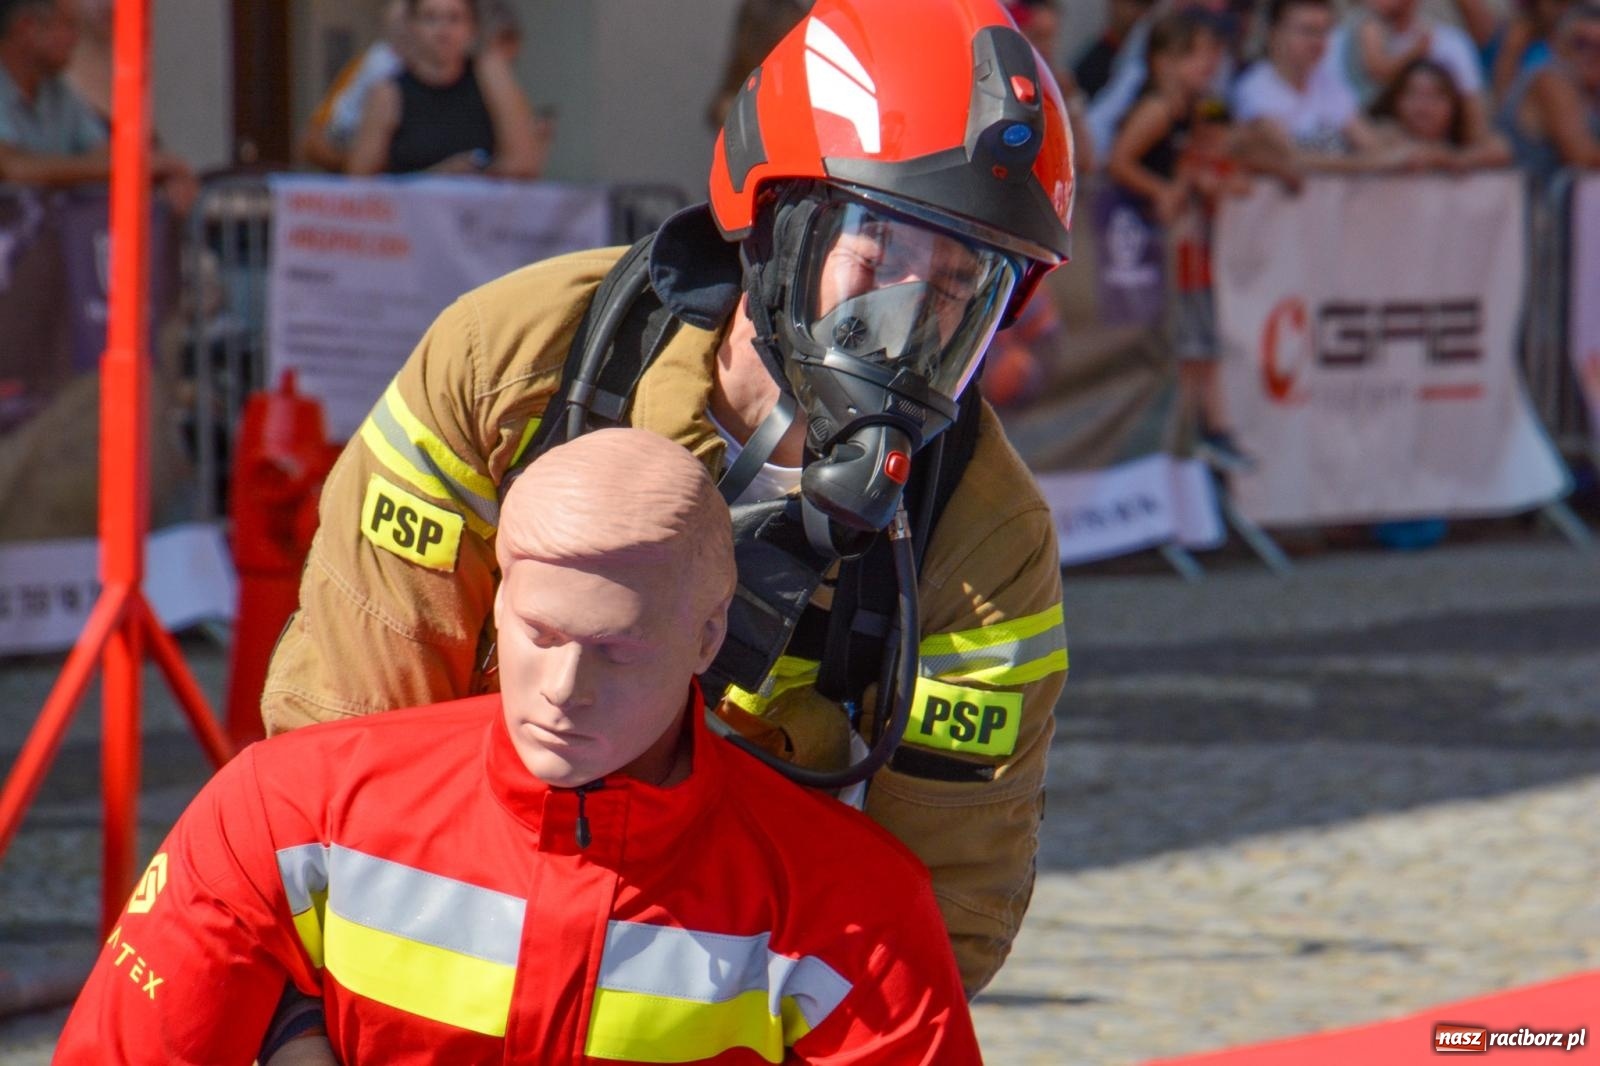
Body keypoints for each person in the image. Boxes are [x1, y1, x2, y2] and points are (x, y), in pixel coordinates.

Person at [264, 0, 1073, 999]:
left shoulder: (984, 536)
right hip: (435, 954)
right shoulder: (511, 365)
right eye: (876, 255)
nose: (906, 321)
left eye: (960, 285)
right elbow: (338, 737)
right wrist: (307, 1016)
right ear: (777, 221)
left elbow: (948, 906)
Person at [55, 428, 982, 1065]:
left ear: (708, 640)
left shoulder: (849, 904)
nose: (566, 691)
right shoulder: (290, 809)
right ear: (494, 602)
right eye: (539, 635)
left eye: (616, 649)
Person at [1106, 12, 1250, 465]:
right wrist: (1163, 190)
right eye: (1195, 53)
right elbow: (1119, 162)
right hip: (1150, 248)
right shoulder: (1158, 109)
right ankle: (1192, 434)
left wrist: (1209, 177)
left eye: (1212, 53)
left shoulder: (1198, 106)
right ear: (1163, 62)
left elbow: (1224, 144)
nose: (1209, 63)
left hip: (1182, 247)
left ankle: (1208, 430)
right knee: (1187, 345)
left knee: (1200, 342)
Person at [0, 0, 190, 191]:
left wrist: (160, 171)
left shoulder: (58, 91)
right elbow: (12, 168)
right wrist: (122, 168)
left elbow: (106, 153)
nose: (75, 39)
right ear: (26, 28)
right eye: (67, 25)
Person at [345, 0, 542, 177]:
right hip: (411, 211)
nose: (443, 30)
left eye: (454, 19)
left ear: (472, 27)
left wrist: (479, 174)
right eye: (430, 18)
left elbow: (523, 163)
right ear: (412, 26)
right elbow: (360, 180)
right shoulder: (388, 92)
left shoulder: (490, 79)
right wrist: (435, 176)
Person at [299, 0, 411, 173]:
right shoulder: (370, 65)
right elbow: (312, 143)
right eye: (398, 27)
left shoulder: (462, 78)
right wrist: (365, 159)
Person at [1499, 1, 1600, 180]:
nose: (1592, 53)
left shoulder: (1590, 91)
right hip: (1532, 203)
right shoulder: (1549, 80)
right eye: (1581, 43)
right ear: (1557, 44)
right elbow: (1581, 157)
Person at [1368, 56, 1514, 166]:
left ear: (1453, 104)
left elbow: (1502, 150)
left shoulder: (1462, 138)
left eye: (1435, 96)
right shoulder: (1385, 133)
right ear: (1397, 101)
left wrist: (1454, 159)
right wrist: (1401, 158)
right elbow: (1351, 160)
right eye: (1413, 94)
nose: (1423, 105)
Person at [1076, 0, 1158, 99]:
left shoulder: (1153, 55)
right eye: (1135, 3)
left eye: (1147, 5)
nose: (1141, 12)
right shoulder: (1091, 63)